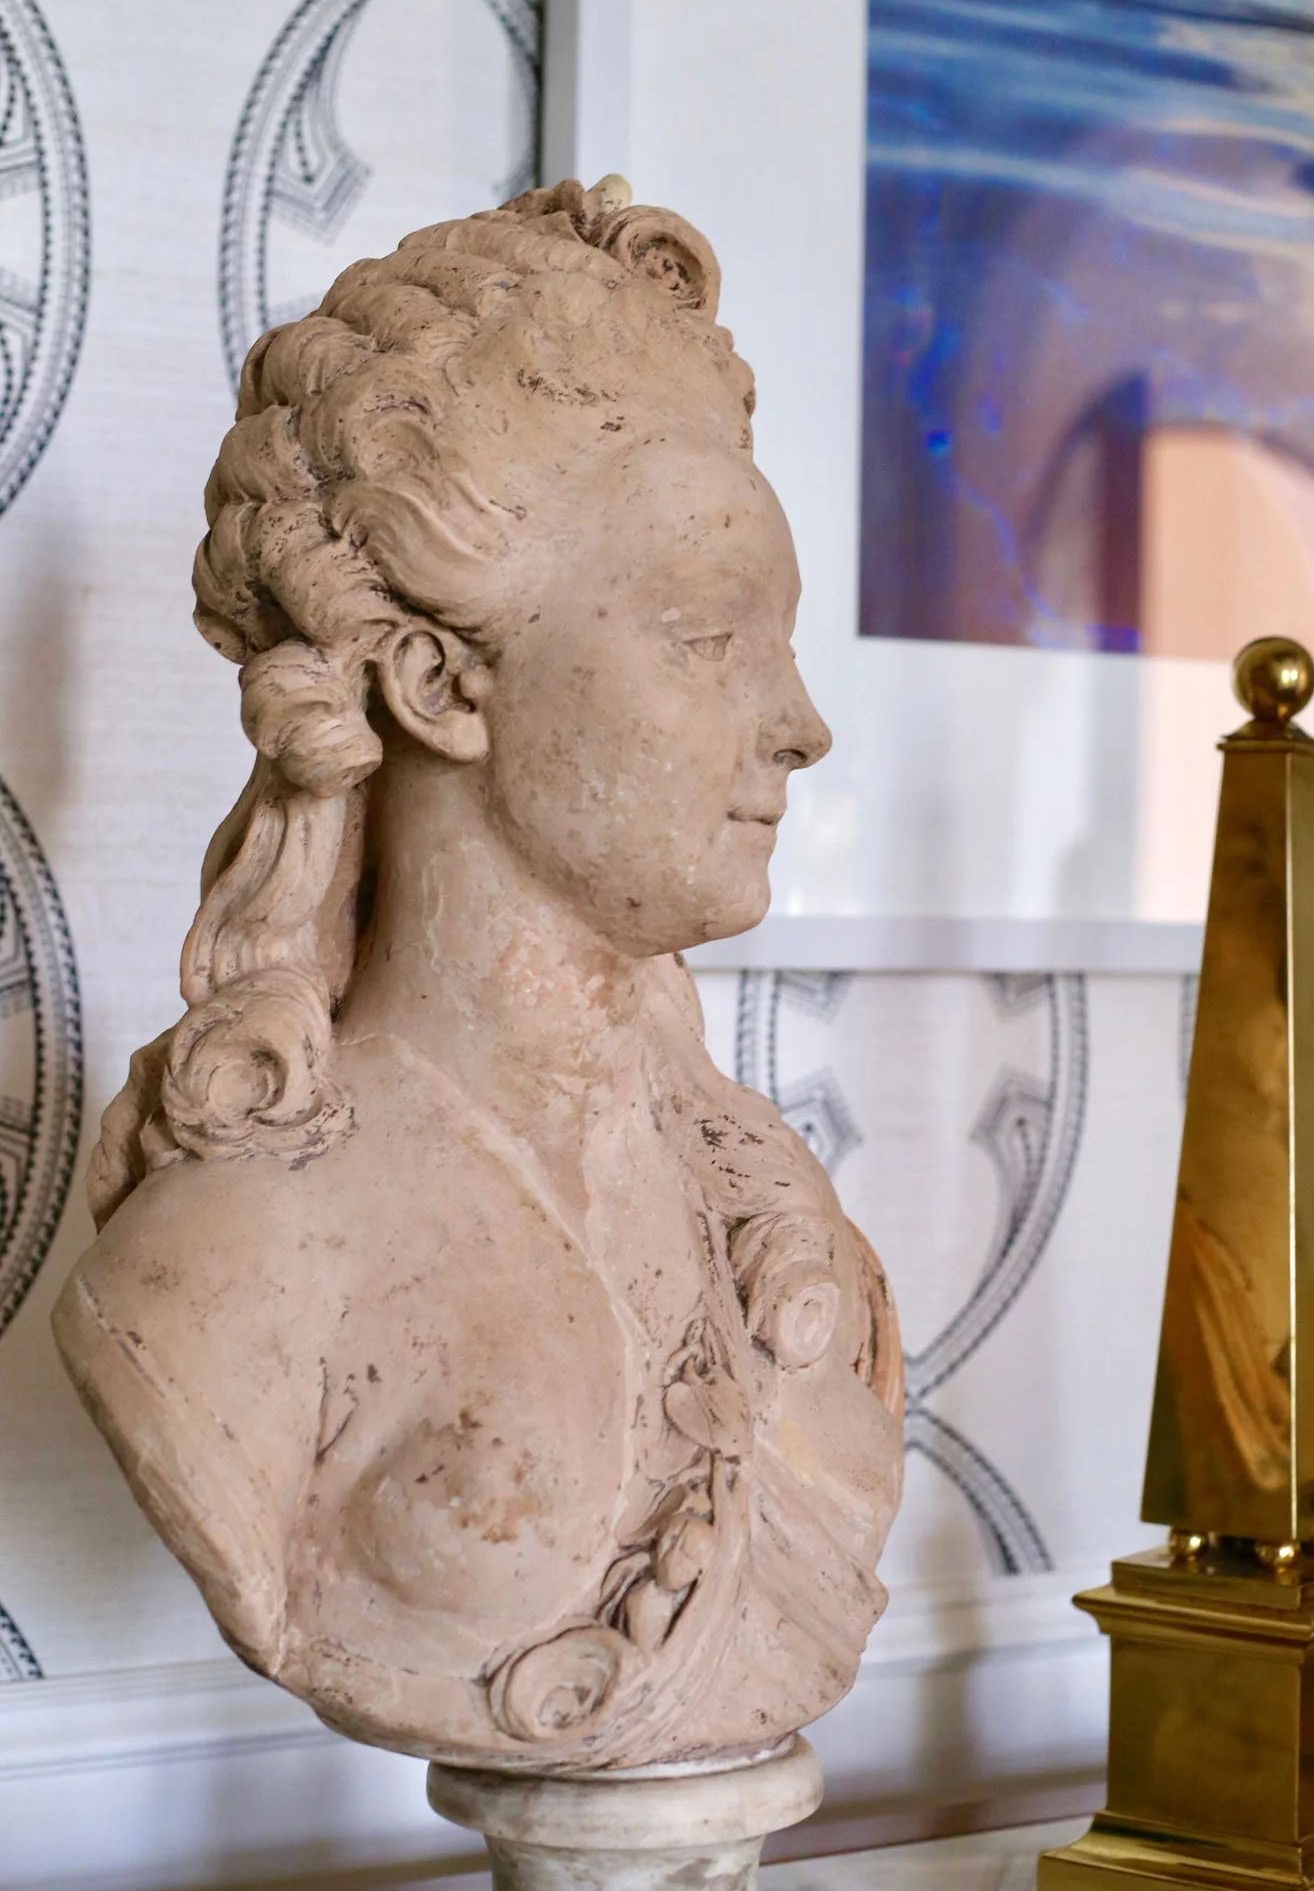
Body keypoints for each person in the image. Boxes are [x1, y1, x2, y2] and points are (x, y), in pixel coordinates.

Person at [55, 179, 903, 1770]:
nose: (800, 722)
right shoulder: (224, 1273)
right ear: (444, 681)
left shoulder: (783, 1222)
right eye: (711, 636)